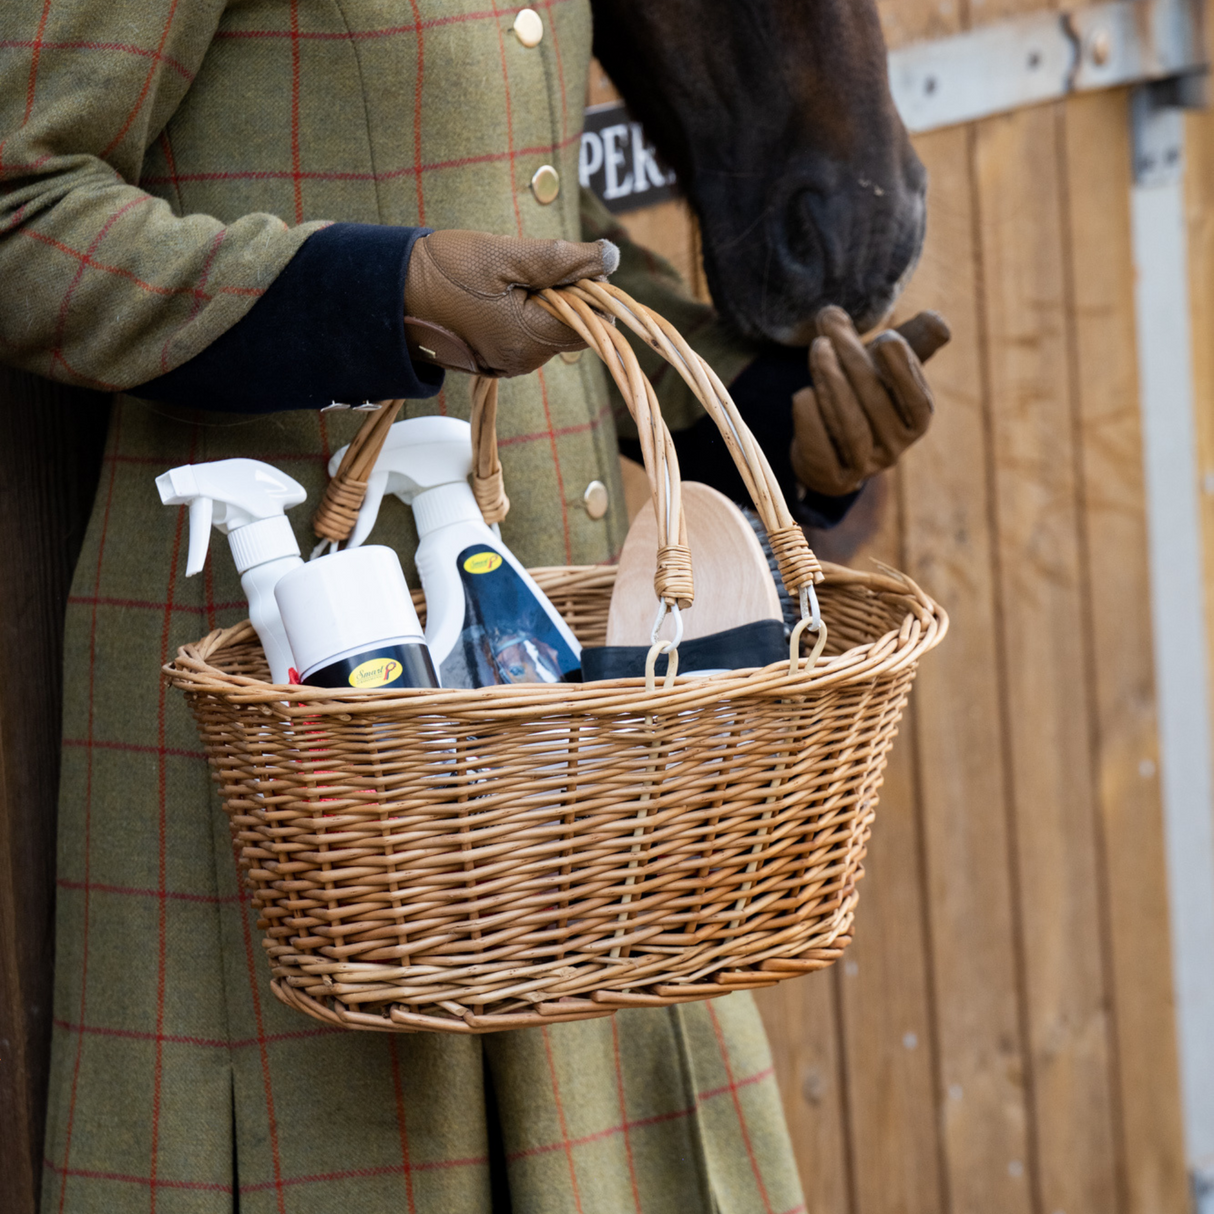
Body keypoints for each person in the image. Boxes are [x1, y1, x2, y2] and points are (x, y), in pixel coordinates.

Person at [0, 2, 939, 1211]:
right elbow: (18, 201)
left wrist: (761, 412)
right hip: (292, 716)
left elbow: (522, 195)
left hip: (557, 749)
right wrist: (372, 298)